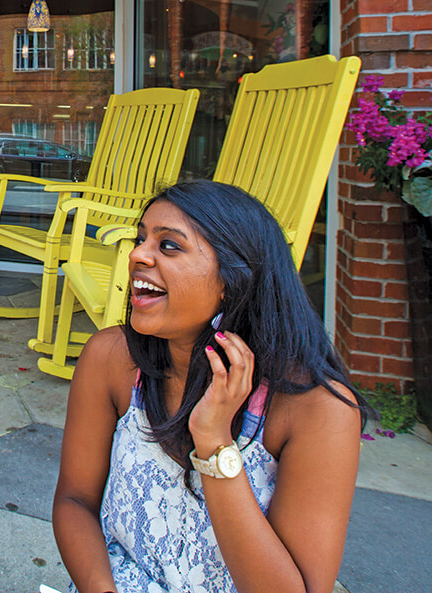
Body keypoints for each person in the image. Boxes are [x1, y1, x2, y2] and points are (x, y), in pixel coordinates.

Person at [53, 181, 373, 593]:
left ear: (232, 282)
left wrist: (214, 443)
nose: (136, 255)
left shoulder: (318, 410)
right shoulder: (111, 359)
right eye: (141, 238)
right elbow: (74, 501)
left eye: (168, 245)